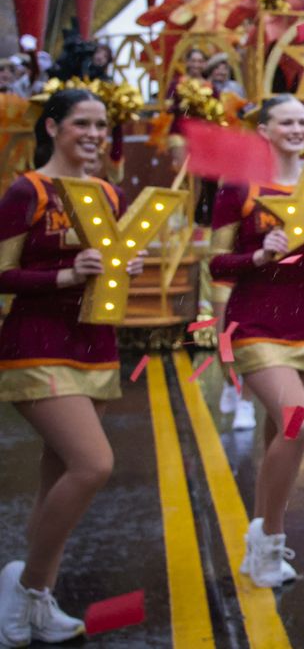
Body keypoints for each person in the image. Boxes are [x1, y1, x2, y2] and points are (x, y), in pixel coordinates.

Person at [0, 89, 143, 643]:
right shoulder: (28, 191)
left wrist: (124, 265)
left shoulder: (110, 193)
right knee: (94, 465)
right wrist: (66, 274)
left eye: (101, 125)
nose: (94, 134)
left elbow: (109, 273)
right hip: (37, 345)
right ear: (53, 127)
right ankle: (24, 588)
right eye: (82, 123)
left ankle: (38, 602)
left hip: (95, 347)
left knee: (58, 479)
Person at [207, 94, 304, 588]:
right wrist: (257, 256)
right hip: (255, 324)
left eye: (302, 122)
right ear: (263, 131)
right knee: (299, 423)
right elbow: (216, 262)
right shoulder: (239, 188)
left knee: (280, 437)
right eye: (286, 121)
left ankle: (262, 540)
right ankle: (268, 539)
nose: (297, 129)